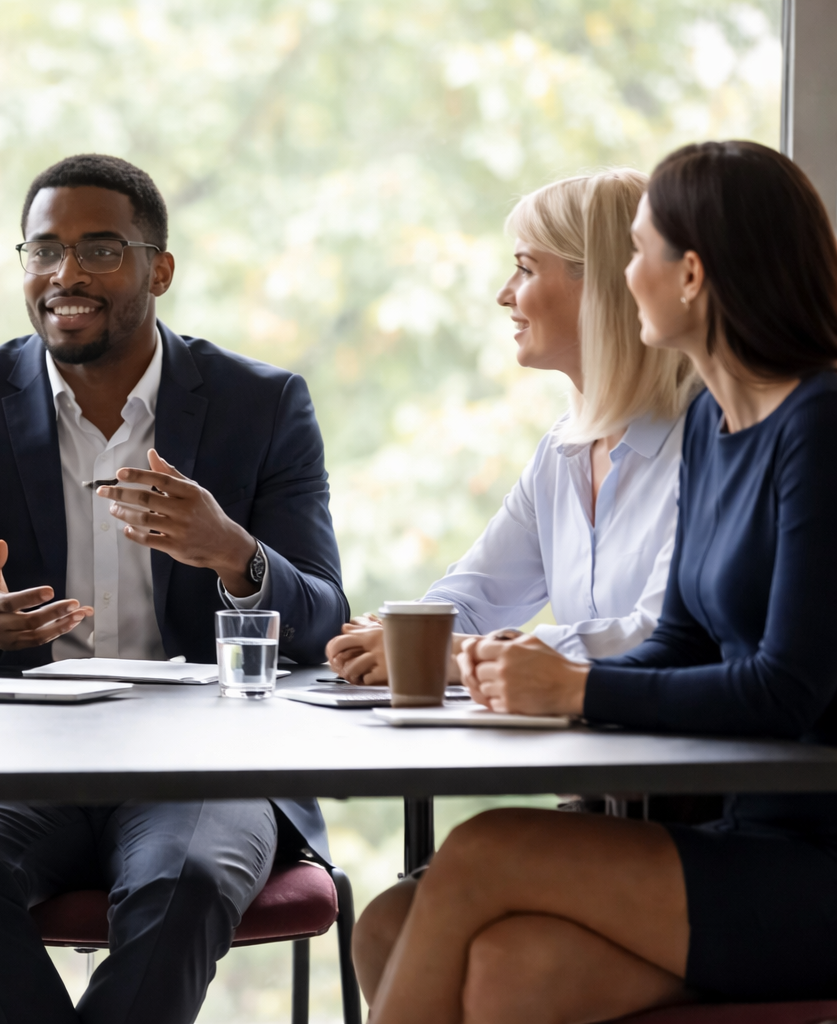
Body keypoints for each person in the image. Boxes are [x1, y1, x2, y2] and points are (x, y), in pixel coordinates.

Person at [0, 154, 350, 1024]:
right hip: (13, 758)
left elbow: (324, 621)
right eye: (44, 251)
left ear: (160, 269)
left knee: (188, 878)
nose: (66, 275)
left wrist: (233, 554)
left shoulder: (262, 404)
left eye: (100, 250)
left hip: (203, 764)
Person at [357, 140, 837, 1023]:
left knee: (484, 848)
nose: (626, 276)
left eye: (636, 251)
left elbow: (788, 688)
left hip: (809, 854)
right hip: (736, 834)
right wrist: (545, 677)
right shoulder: (718, 428)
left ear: (689, 275)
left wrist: (576, 688)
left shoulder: (820, 426)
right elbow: (679, 642)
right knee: (460, 952)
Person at [326, 168, 699, 687]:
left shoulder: (706, 443)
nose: (505, 294)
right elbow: (475, 596)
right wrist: (396, 633)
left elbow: (659, 636)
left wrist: (448, 652)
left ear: (603, 285)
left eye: (525, 269)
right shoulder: (564, 449)